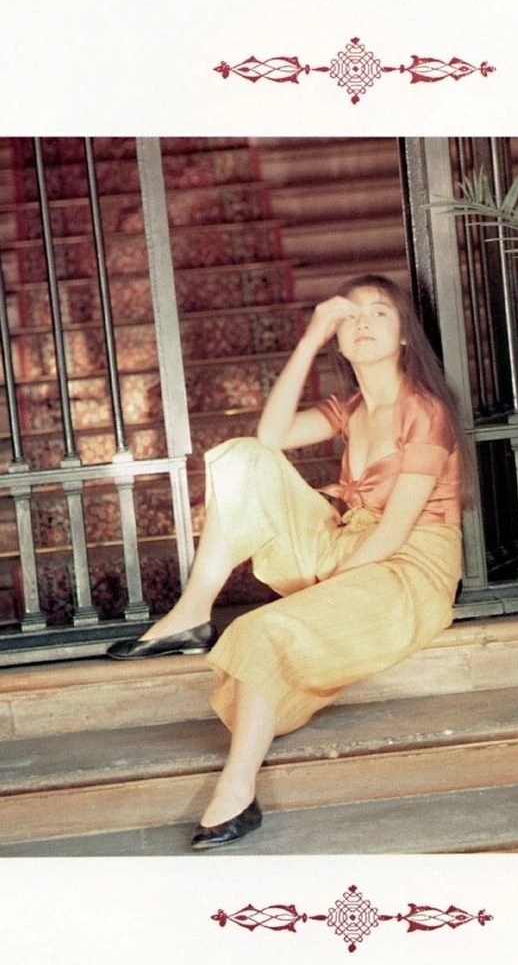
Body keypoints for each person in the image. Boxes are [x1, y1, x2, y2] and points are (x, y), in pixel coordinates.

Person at [106, 275, 468, 849]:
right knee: (242, 458)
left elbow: (394, 532)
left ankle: (236, 790)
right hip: (349, 545)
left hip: (407, 567)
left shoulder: (425, 411)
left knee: (262, 630)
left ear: (404, 335)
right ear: (338, 339)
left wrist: (326, 589)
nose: (363, 323)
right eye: (350, 317)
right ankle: (191, 614)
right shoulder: (351, 406)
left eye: (379, 313)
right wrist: (310, 337)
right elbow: (270, 435)